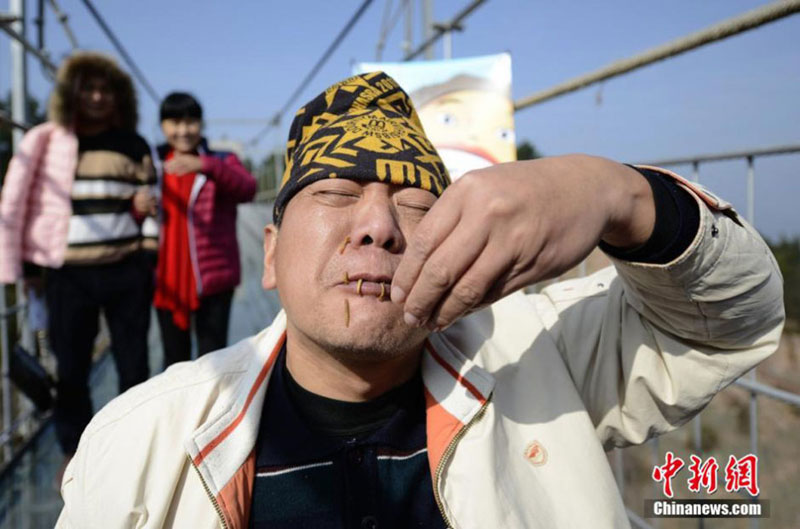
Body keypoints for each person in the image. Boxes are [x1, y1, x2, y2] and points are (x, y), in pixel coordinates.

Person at [56, 72, 784, 528]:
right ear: (270, 254)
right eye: (337, 192)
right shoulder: (133, 449)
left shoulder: (538, 354)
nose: (377, 224)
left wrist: (621, 195)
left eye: (414, 203)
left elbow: (733, 323)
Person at [0, 52, 157, 460]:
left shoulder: (134, 144)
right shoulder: (45, 141)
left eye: (106, 89)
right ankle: (78, 458)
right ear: (72, 92)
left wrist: (146, 256)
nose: (97, 97)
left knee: (134, 367)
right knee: (70, 371)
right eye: (88, 88)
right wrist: (26, 269)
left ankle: (131, 454)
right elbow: (18, 202)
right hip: (66, 274)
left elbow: (151, 205)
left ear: (119, 95)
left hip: (127, 271)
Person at [153, 92, 256, 369]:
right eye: (175, 122)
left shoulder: (222, 160)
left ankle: (211, 413)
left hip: (214, 280)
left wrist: (206, 166)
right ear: (163, 126)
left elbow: (248, 188)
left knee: (213, 361)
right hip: (167, 280)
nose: (184, 130)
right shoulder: (154, 166)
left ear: (201, 125)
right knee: (174, 363)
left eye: (191, 122)